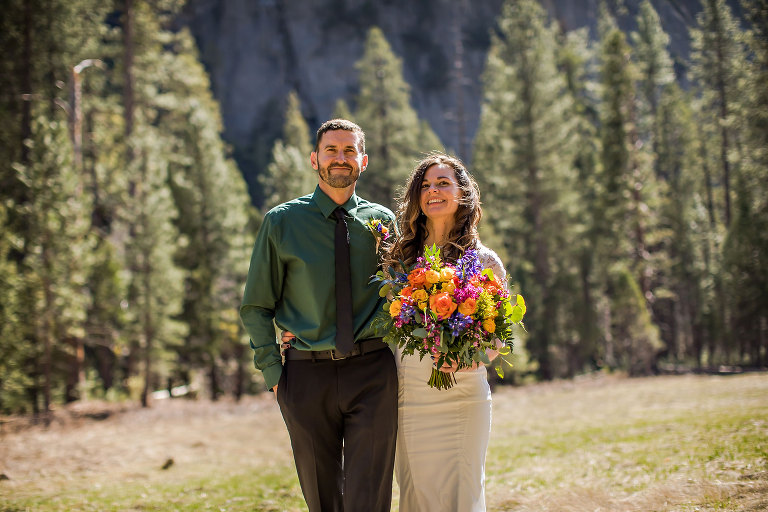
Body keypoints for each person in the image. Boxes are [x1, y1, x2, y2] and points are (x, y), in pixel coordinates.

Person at [240, 119, 398, 512]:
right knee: (323, 500)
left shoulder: (384, 224)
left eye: (349, 151)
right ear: (315, 159)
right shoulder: (281, 222)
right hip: (305, 377)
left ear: (363, 160)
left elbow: (404, 294)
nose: (340, 158)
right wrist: (275, 376)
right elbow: (257, 305)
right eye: (331, 150)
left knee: (370, 501)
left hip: (373, 373)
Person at [383, 153, 505, 511]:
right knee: (416, 493)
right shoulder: (400, 260)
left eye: (443, 183)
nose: (432, 191)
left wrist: (470, 359)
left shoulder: (484, 261)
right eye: (425, 186)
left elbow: (499, 337)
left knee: (464, 492)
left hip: (464, 393)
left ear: (463, 194)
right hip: (411, 393)